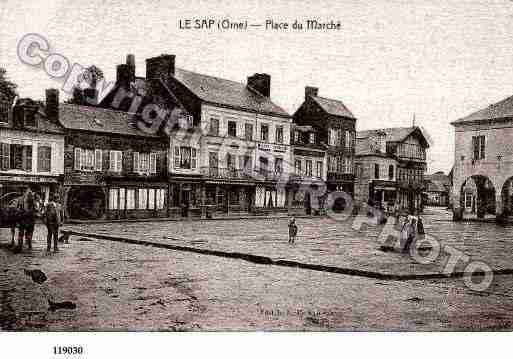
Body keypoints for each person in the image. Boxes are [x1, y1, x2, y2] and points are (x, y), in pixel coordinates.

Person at [16, 186, 37, 252]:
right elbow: (36, 209)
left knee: (21, 233)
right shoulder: (32, 198)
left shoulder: (20, 199)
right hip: (30, 218)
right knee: (29, 232)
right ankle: (29, 245)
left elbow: (18, 209)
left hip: (23, 218)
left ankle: (20, 246)